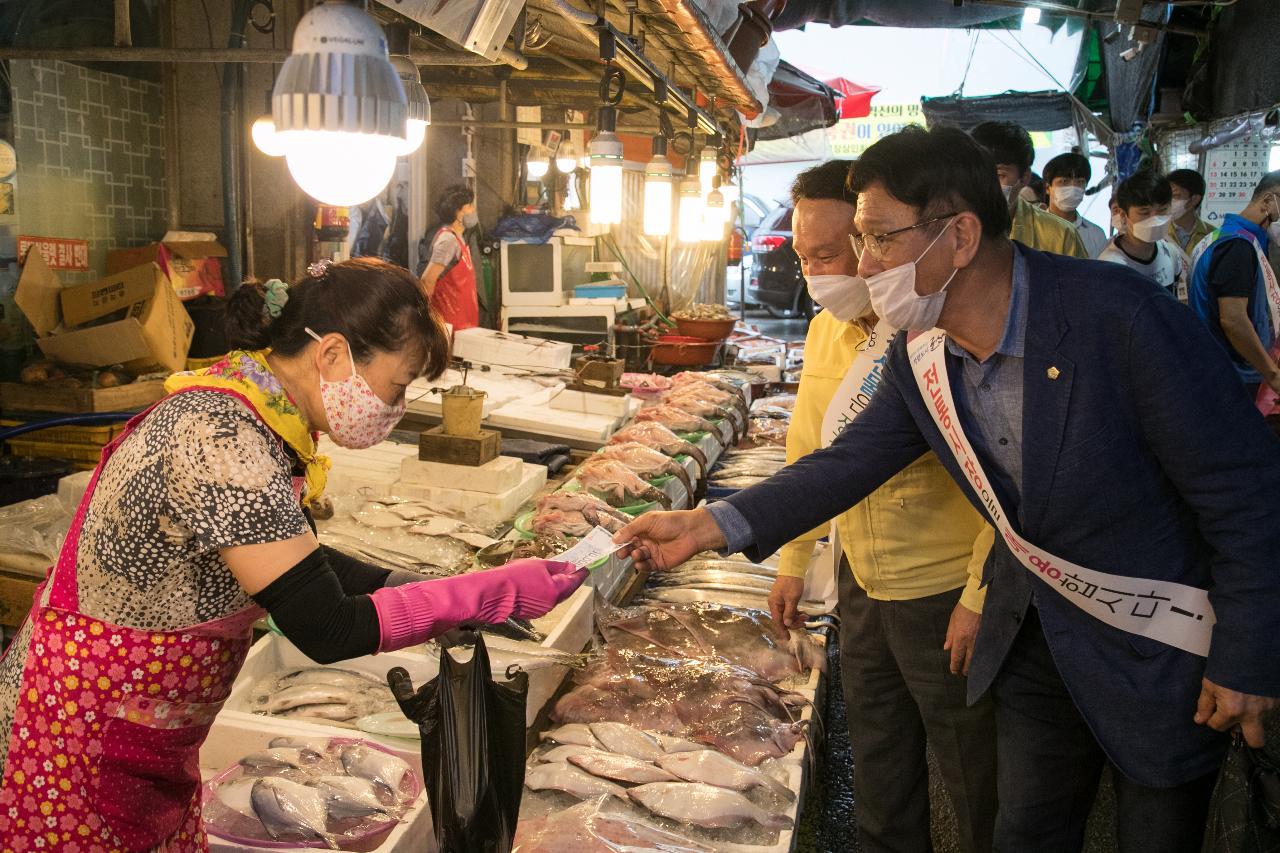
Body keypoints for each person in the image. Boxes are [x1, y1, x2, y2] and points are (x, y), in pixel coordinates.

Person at [616, 125, 1280, 853]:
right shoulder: (923, 350)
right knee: (1023, 830)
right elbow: (848, 461)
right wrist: (712, 524)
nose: (865, 266)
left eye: (878, 239)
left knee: (1155, 834)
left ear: (960, 235)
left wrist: (1248, 652)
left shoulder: (1118, 318)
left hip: (1156, 641)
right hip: (1036, 631)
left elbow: (1244, 490)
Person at [0, 259, 586, 850]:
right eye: (398, 384)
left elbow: (299, 567)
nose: (398, 405)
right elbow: (325, 626)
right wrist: (481, 594)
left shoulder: (254, 411)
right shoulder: (218, 437)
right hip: (72, 734)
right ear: (331, 354)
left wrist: (407, 582)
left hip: (143, 727)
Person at [783, 159, 997, 853]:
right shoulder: (824, 331)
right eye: (801, 253)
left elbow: (1005, 480)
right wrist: (793, 561)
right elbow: (810, 455)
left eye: (829, 253)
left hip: (943, 592)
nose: (814, 271)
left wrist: (979, 591)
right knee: (879, 769)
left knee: (974, 778)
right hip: (861, 584)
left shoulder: (937, 332)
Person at [1188, 170, 1280, 400]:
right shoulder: (1237, 247)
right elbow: (1233, 319)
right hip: (1230, 373)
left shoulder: (1220, 236)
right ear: (1269, 200)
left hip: (1215, 365)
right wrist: (1273, 375)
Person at [970, 121, 1089, 259]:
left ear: (1025, 178)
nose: (985, 182)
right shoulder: (948, 229)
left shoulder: (1061, 236)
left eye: (999, 175)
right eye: (977, 172)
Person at [1098, 169, 1187, 299]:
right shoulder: (1110, 266)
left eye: (1162, 210)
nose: (1155, 219)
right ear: (1123, 215)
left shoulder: (1171, 253)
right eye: (1144, 213)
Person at [419, 183, 480, 331]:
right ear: (459, 214)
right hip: (448, 324)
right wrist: (426, 319)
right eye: (470, 206)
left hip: (463, 322)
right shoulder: (448, 240)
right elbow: (427, 280)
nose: (474, 210)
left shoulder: (460, 238)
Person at [1043, 152, 1108, 258]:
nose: (1072, 188)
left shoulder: (1096, 235)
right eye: (1064, 181)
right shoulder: (1032, 228)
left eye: (1080, 182)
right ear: (1047, 188)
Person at [1167, 168, 1214, 254]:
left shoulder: (1213, 236)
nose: (1168, 201)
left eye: (1175, 196)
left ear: (1194, 200)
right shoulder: (1157, 233)